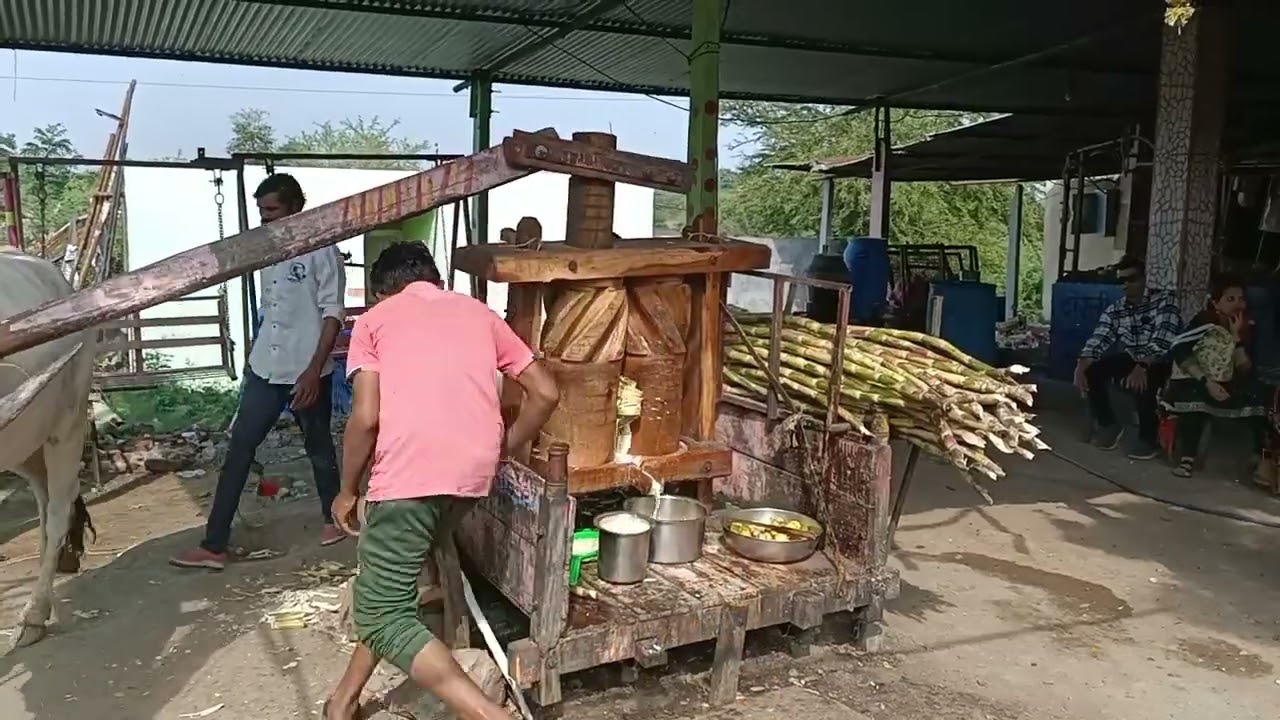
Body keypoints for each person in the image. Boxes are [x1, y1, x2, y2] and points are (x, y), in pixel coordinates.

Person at [323, 242, 559, 720]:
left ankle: (491, 716)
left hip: (408, 477)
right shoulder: (480, 313)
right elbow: (546, 391)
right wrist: (504, 447)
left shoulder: (374, 321)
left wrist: (347, 489)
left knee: (382, 613)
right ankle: (342, 702)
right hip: (470, 477)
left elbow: (366, 417)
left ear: (379, 293)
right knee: (389, 594)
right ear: (438, 282)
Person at [171, 174, 347, 570]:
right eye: (262, 212)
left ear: (295, 207)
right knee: (239, 449)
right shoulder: (268, 249)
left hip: (307, 370)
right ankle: (214, 545)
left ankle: (334, 519)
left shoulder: (324, 252)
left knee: (319, 449)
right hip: (265, 368)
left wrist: (313, 371)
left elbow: (332, 314)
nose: (265, 219)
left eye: (272, 210)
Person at [1159, 276, 1269, 478]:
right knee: (1194, 400)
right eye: (1230, 299)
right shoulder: (1205, 320)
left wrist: (1236, 338)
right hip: (1194, 379)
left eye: (1241, 299)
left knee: (1260, 396)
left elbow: (1244, 369)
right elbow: (1180, 351)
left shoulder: (1247, 327)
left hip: (1225, 382)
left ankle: (1261, 455)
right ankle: (1187, 459)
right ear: (1215, 302)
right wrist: (1207, 381)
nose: (1238, 304)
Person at [1073, 258, 1181, 459]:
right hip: (1133, 358)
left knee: (1143, 383)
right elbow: (1100, 337)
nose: (1126, 285)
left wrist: (1143, 365)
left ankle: (1148, 440)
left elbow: (1164, 338)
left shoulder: (1165, 301)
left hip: (1162, 361)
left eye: (1131, 279)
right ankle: (1108, 425)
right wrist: (1082, 363)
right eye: (1121, 281)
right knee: (1092, 371)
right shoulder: (1116, 309)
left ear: (1144, 279)